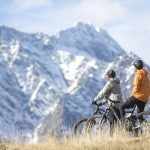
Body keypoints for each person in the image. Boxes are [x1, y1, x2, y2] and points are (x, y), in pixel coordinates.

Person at [92, 69, 123, 135]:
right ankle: (116, 135)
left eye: (107, 76)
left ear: (108, 76)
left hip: (114, 104)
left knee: (110, 119)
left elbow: (103, 92)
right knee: (117, 122)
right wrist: (102, 103)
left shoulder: (110, 83)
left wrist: (95, 99)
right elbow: (110, 95)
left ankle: (111, 136)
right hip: (119, 103)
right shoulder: (116, 83)